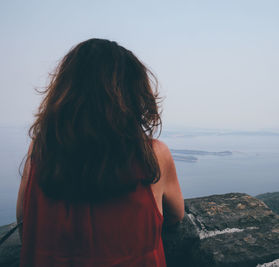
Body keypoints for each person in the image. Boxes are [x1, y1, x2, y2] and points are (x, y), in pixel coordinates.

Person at [16, 38, 184, 267]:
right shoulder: (153, 155)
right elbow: (175, 215)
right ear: (134, 95)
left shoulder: (41, 149)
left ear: (65, 93)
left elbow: (25, 221)